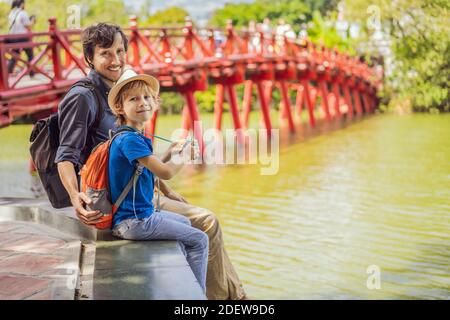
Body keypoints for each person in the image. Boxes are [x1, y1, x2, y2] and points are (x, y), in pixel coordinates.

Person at [55, 23, 247, 300]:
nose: (116, 60)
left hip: (133, 191)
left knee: (194, 216)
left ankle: (228, 295)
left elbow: (139, 161)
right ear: (90, 59)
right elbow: (66, 155)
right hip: (112, 199)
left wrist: (166, 190)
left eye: (120, 51)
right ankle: (225, 299)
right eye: (106, 54)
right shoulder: (83, 97)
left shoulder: (125, 93)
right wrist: (75, 197)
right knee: (206, 222)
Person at [107, 69, 209, 293]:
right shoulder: (130, 140)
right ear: (120, 108)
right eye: (133, 99)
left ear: (155, 103)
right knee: (200, 240)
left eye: (147, 97)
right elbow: (165, 173)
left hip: (136, 218)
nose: (142, 102)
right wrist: (185, 156)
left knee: (186, 224)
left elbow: (143, 170)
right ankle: (197, 295)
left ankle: (184, 283)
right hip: (135, 222)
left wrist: (171, 153)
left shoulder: (129, 136)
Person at [7, 0, 35, 77]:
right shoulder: (23, 13)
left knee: (15, 56)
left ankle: (8, 72)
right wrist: (32, 20)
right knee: (30, 56)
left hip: (13, 38)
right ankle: (31, 72)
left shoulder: (11, 13)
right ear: (22, 4)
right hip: (23, 37)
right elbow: (28, 26)